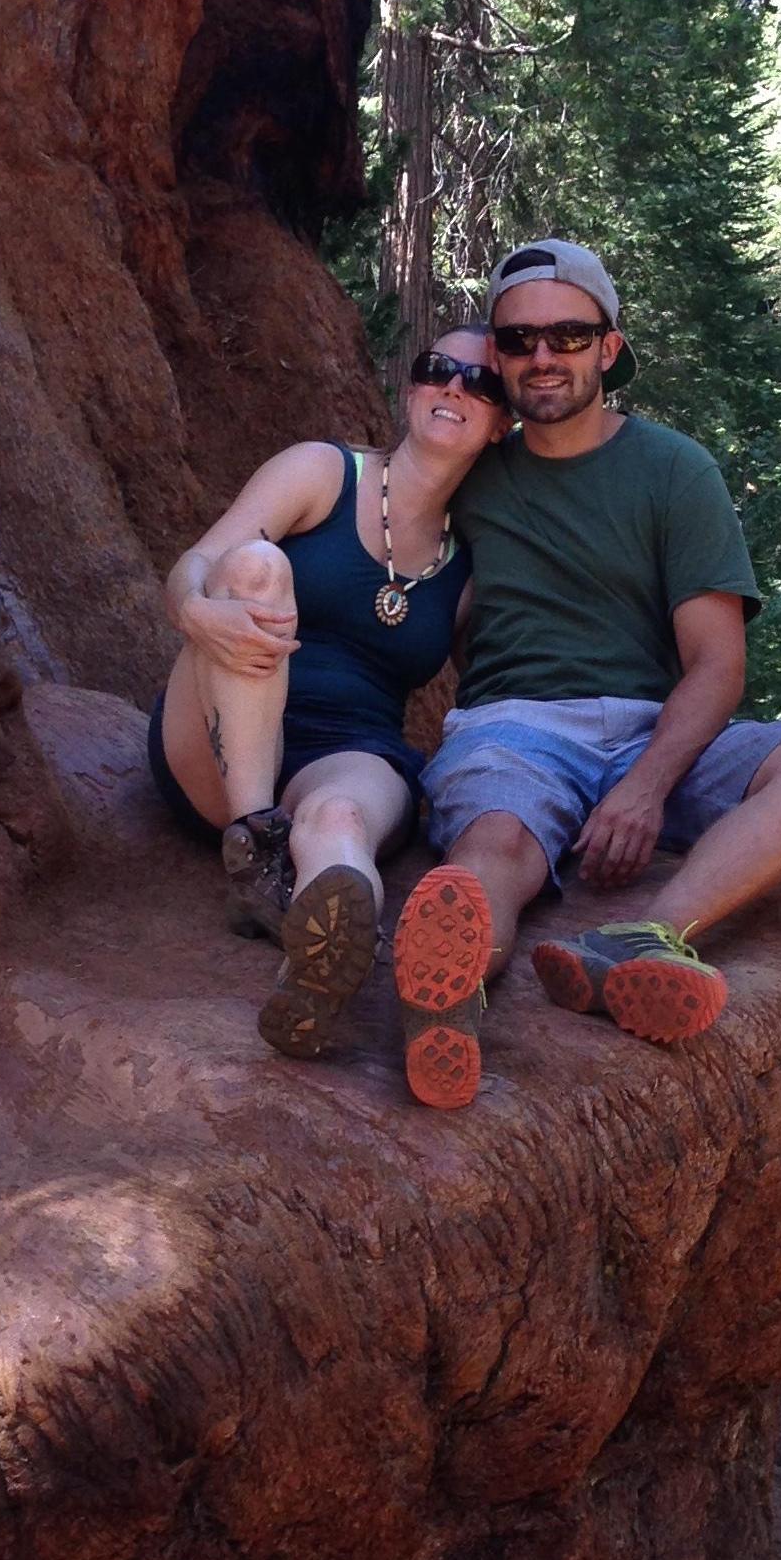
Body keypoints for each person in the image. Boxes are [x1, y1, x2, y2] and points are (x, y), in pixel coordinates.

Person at [384, 240, 781, 1111]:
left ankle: (643, 939)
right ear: (495, 353)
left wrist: (646, 787)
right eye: (519, 339)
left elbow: (718, 663)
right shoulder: (471, 472)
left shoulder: (673, 469)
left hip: (660, 728)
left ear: (608, 348)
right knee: (494, 846)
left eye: (568, 336)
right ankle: (447, 1001)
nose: (543, 357)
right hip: (514, 726)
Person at [150, 327, 509, 1059]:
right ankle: (255, 849)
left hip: (349, 748)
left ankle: (316, 972)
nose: (454, 388)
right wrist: (194, 610)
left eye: (482, 383)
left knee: (343, 822)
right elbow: (200, 561)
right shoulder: (322, 471)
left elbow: (501, 679)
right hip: (220, 732)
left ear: (503, 423)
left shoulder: (469, 564)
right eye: (438, 369)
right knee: (253, 567)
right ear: (410, 389)